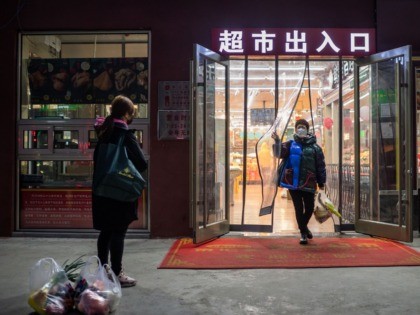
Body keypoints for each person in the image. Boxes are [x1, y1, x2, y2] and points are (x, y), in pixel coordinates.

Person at [92, 95, 148, 287]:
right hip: (120, 190)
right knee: (119, 232)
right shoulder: (125, 135)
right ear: (126, 114)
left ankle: (102, 270)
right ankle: (117, 273)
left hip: (101, 189)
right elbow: (141, 162)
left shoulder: (104, 132)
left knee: (106, 231)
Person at [272, 119, 326, 245]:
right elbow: (279, 153)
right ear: (295, 129)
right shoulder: (290, 145)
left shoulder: (315, 148)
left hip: (309, 182)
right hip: (293, 183)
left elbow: (320, 166)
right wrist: (277, 141)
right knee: (298, 208)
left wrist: (321, 182)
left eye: (303, 127)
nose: (300, 129)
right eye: (298, 127)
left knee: (309, 208)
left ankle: (304, 228)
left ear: (307, 129)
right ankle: (303, 233)